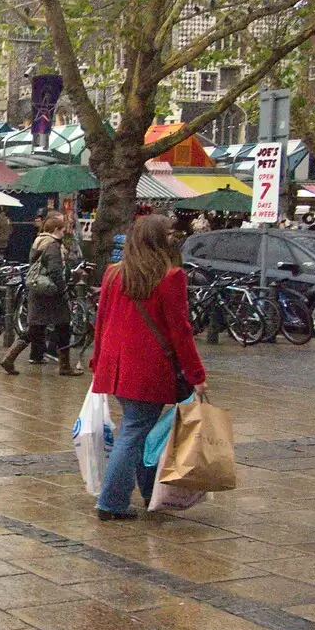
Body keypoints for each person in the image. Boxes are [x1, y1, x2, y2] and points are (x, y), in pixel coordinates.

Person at [89, 214, 209, 520]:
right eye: (169, 234)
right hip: (148, 369)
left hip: (117, 366)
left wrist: (97, 361)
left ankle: (147, 494)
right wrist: (196, 375)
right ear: (159, 240)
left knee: (140, 429)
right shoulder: (170, 277)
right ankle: (111, 502)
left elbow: (101, 321)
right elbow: (180, 331)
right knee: (135, 431)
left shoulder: (114, 273)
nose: (174, 238)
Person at [0, 212, 82, 377]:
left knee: (36, 328)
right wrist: (63, 288)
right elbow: (55, 271)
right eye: (63, 227)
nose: (66, 230)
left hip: (39, 291)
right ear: (57, 229)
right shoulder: (52, 245)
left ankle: (9, 357)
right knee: (64, 326)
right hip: (51, 293)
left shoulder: (39, 241)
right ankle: (64, 366)